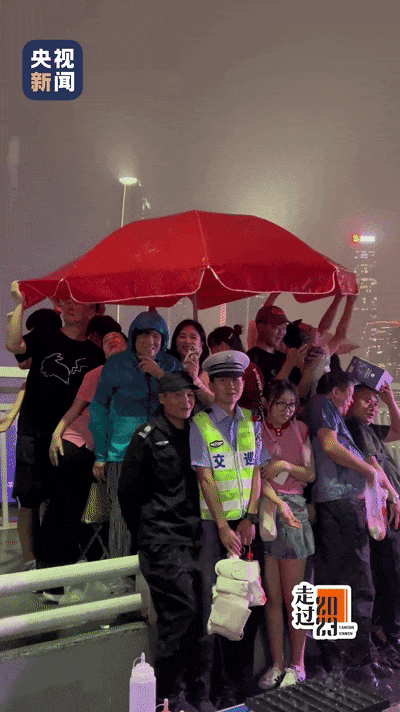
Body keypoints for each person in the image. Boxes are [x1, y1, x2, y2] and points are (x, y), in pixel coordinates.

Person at [190, 350, 298, 705]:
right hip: (215, 527)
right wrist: (224, 527)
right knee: (220, 602)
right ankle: (217, 687)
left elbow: (255, 472)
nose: (232, 386)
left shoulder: (252, 420)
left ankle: (240, 680)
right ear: (212, 383)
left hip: (247, 526)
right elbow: (205, 478)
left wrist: (250, 518)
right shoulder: (200, 423)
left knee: (249, 601)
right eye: (223, 380)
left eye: (236, 380)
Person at [118, 372, 213, 712]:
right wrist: (148, 535)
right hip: (162, 539)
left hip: (196, 536)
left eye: (190, 394)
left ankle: (199, 694)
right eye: (178, 394)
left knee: (203, 617)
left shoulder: (199, 431)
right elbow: (128, 494)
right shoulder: (147, 437)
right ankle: (166, 697)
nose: (186, 401)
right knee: (180, 614)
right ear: (162, 398)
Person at [303, 370, 400, 686]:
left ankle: (348, 657)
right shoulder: (323, 405)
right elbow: (330, 446)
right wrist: (368, 472)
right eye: (350, 394)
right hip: (339, 504)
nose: (350, 403)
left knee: (340, 584)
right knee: (355, 584)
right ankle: (353, 661)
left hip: (344, 505)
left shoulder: (338, 417)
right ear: (337, 392)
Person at [5, 282, 104, 568]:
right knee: (29, 497)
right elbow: (14, 345)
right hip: (34, 431)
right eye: (67, 300)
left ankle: (53, 560)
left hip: (69, 437)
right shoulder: (46, 335)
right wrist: (20, 305)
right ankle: (30, 561)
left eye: (79, 300)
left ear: (93, 310)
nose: (70, 304)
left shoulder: (95, 353)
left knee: (59, 498)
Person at [33, 323, 128, 597]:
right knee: (64, 510)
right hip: (76, 446)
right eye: (107, 340)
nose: (112, 341)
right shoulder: (95, 375)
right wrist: (56, 434)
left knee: (70, 510)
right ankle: (52, 581)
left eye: (117, 338)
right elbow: (75, 410)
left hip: (100, 452)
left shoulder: (135, 378)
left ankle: (54, 578)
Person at [90, 309, 181, 557]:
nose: (150, 341)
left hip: (161, 453)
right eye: (143, 335)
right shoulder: (116, 364)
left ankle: (156, 568)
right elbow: (99, 409)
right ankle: (122, 574)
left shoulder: (171, 365)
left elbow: (183, 401)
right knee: (122, 515)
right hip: (122, 453)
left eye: (156, 336)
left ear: (164, 339)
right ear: (133, 336)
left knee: (160, 513)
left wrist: (159, 374)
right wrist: (101, 455)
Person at [259, 379, 315, 689]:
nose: (287, 410)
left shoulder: (301, 429)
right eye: (280, 403)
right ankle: (276, 664)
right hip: (268, 512)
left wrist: (283, 464)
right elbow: (256, 476)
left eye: (292, 404)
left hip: (294, 512)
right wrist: (276, 500)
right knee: (273, 598)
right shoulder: (256, 430)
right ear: (266, 403)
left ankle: (298, 664)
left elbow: (310, 473)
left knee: (296, 598)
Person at [345, 383, 400, 664]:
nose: (372, 406)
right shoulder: (355, 426)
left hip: (390, 508)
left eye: (374, 402)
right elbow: (372, 464)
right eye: (366, 400)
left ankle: (388, 633)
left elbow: (398, 430)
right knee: (389, 573)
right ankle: (386, 634)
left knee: (392, 573)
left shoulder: (370, 429)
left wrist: (389, 399)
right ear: (351, 400)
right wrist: (393, 496)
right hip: (382, 510)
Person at [207, 324, 264, 417]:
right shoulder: (252, 366)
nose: (212, 354)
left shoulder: (238, 370)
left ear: (222, 347)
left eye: (212, 349)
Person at [168, 319, 214, 405]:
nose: (187, 341)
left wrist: (195, 379)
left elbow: (214, 404)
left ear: (201, 343)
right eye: (182, 336)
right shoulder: (167, 365)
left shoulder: (208, 370)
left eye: (193, 337)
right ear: (175, 341)